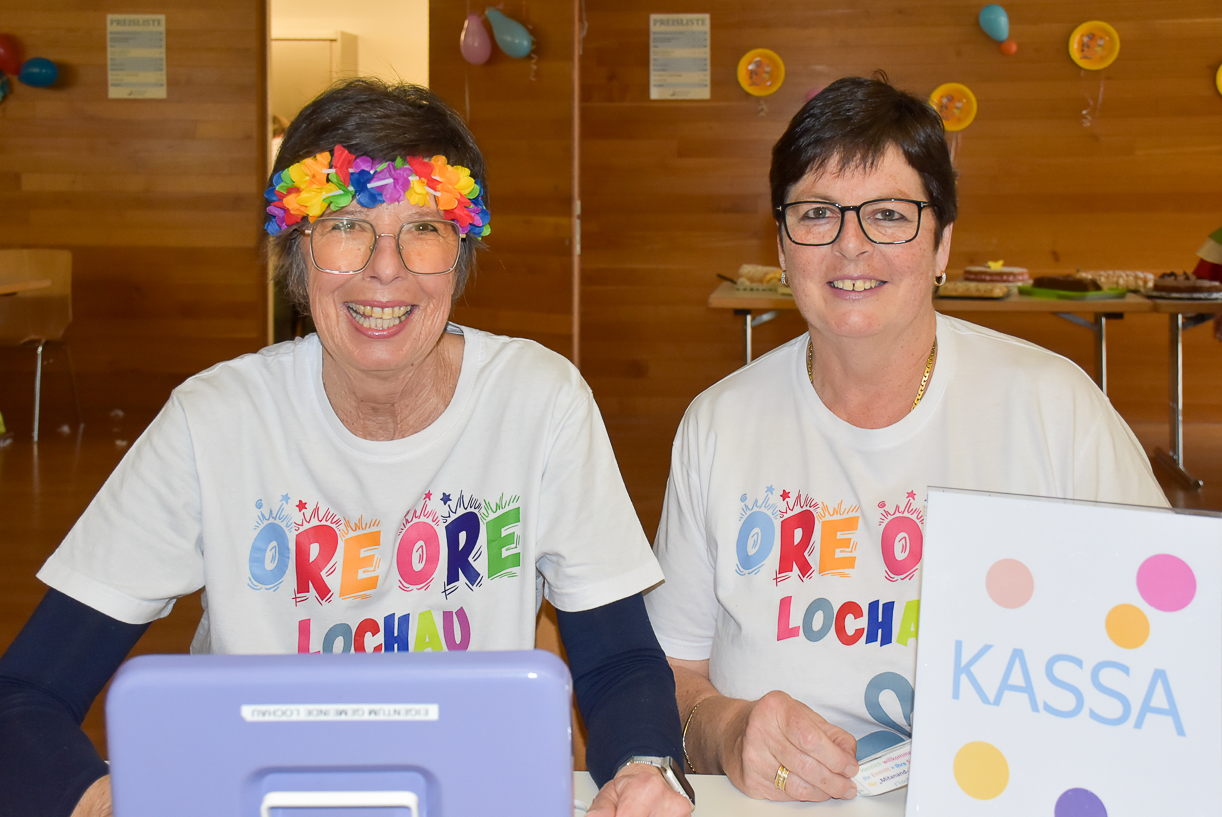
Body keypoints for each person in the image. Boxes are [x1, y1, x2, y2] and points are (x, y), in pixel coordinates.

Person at [0, 79, 692, 817]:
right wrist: (98, 801)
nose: (385, 268)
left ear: (459, 253)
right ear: (298, 253)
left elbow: (619, 661)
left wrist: (647, 767)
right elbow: (24, 698)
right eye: (346, 224)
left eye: (423, 227)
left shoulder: (538, 402)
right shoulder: (216, 421)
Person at [644, 75, 1169, 804]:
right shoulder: (718, 425)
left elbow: (1166, 645)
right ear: (782, 245)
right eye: (817, 213)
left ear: (943, 242)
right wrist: (727, 730)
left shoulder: (1055, 410)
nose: (850, 245)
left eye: (889, 215)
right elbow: (670, 672)